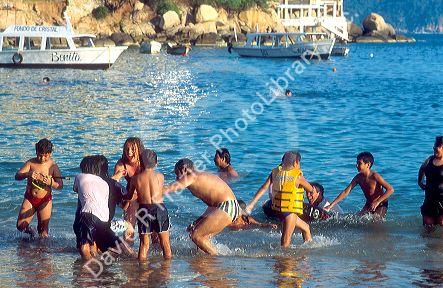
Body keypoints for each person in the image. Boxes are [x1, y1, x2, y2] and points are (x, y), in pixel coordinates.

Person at [163, 158, 240, 255]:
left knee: (197, 236)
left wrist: (150, 190)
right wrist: (199, 219)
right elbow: (213, 202)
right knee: (195, 231)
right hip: (226, 206)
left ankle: (215, 258)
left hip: (227, 206)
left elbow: (172, 188)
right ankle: (203, 259)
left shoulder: (192, 177)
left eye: (177, 174)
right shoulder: (199, 176)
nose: (176, 178)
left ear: (185, 170)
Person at [246, 151, 315, 246]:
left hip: (279, 211)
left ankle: (309, 250)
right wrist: (311, 191)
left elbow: (263, 188)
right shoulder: (298, 177)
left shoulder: (275, 173)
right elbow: (311, 189)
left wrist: (251, 204)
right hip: (290, 211)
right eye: (299, 163)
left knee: (306, 227)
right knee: (286, 240)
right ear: (296, 163)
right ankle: (283, 259)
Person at [73, 155, 132, 260]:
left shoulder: (82, 177)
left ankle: (92, 266)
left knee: (86, 248)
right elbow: (124, 205)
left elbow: (76, 189)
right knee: (119, 243)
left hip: (87, 219)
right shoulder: (108, 184)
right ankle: (136, 258)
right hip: (106, 223)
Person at [126, 149, 172, 261]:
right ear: (156, 163)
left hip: (144, 210)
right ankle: (166, 271)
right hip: (159, 208)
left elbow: (130, 196)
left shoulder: (135, 179)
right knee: (165, 244)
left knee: (144, 245)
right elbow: (160, 191)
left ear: (141, 163)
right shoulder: (161, 176)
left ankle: (143, 272)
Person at [15, 138, 63, 237]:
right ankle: (32, 232)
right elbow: (17, 176)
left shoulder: (53, 166)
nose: (42, 159)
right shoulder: (30, 163)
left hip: (45, 200)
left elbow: (60, 185)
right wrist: (28, 174)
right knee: (20, 226)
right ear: (36, 152)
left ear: (50, 154)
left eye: (45, 156)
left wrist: (51, 182)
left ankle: (41, 249)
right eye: (40, 155)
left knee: (43, 232)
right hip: (30, 198)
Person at [324, 152, 394, 219]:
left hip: (381, 204)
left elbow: (390, 189)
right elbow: (346, 192)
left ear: (368, 165)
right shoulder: (358, 178)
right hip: (369, 203)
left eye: (359, 163)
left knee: (376, 221)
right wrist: (331, 205)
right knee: (358, 218)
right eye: (356, 163)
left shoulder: (375, 176)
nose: (356, 165)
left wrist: (377, 202)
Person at [113, 137, 145, 242]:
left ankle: (157, 257)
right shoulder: (122, 163)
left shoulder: (144, 161)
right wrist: (123, 201)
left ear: (139, 149)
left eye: (132, 149)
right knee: (129, 228)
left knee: (152, 231)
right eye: (126, 149)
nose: (129, 153)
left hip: (147, 194)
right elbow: (114, 183)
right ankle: (127, 254)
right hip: (131, 196)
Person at [187, 200, 277, 231]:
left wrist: (269, 225)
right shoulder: (228, 219)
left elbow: (259, 225)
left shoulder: (247, 220)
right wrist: (195, 224)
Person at [418, 136, 443, 227]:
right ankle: (428, 241)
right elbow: (422, 169)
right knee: (428, 225)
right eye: (434, 146)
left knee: (441, 222)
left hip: (442, 199)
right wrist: (420, 182)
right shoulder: (429, 160)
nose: (434, 148)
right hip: (430, 198)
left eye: (437, 146)